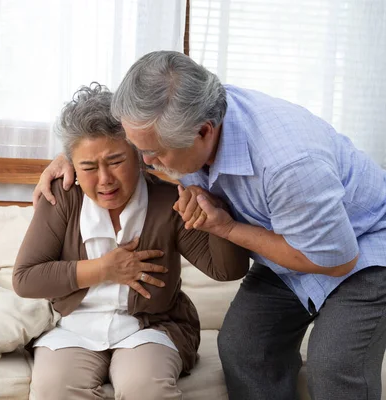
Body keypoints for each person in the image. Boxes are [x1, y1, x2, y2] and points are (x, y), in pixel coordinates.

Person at [33, 51, 386, 400]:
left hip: (361, 249)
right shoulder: (186, 113)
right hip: (289, 244)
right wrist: (71, 157)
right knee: (243, 347)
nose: (145, 162)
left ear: (203, 131)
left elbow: (335, 260)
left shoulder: (288, 165)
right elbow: (122, 131)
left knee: (333, 365)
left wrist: (228, 228)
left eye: (154, 153)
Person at [13, 83, 249, 400]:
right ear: (73, 166)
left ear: (138, 154)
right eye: (88, 167)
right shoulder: (63, 198)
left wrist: (218, 213)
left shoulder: (169, 201)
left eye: (115, 161)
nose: (105, 179)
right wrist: (104, 269)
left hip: (152, 327)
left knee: (144, 386)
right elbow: (26, 279)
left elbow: (227, 271)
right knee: (53, 388)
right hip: (75, 327)